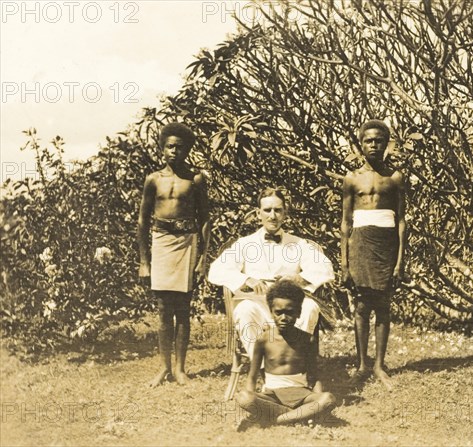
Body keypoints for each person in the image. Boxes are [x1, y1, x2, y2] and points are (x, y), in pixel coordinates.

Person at [207, 187, 334, 360]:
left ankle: (293, 364)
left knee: (310, 307)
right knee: (244, 310)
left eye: (277, 210)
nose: (272, 216)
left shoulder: (298, 244)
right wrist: (246, 279)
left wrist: (299, 278)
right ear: (258, 214)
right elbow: (216, 270)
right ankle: (261, 368)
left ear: (285, 213)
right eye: (267, 210)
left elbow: (325, 267)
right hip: (259, 306)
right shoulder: (245, 244)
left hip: (290, 309)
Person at [137, 122, 211, 387]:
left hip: (186, 243)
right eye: (169, 146)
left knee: (183, 307)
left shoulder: (196, 179)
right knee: (163, 308)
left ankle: (180, 369)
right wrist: (145, 261)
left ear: (187, 150)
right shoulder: (153, 179)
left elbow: (205, 219)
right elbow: (143, 222)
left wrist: (203, 258)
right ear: (162, 148)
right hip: (161, 242)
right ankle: (163, 368)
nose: (174, 152)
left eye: (180, 147)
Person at [341, 119, 407, 389]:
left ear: (387, 144)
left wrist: (400, 261)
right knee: (361, 306)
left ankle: (379, 365)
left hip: (386, 244)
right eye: (369, 140)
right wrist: (344, 262)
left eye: (379, 141)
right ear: (360, 143)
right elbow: (345, 222)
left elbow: (402, 220)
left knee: (383, 305)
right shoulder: (351, 178)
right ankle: (362, 365)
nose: (374, 145)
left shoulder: (395, 178)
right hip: (360, 244)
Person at [236, 280, 336, 429]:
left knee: (328, 399)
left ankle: (277, 419)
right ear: (271, 312)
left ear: (298, 312)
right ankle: (299, 416)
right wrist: (251, 401)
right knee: (243, 398)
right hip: (272, 396)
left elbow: (314, 377)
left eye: (289, 313)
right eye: (278, 312)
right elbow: (252, 377)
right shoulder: (263, 340)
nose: (283, 318)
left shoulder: (307, 340)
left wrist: (317, 403)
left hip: (302, 395)